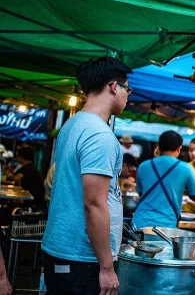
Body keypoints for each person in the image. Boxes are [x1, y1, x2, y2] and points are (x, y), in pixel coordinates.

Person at [42, 57, 132, 295]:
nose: (127, 96)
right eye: (127, 89)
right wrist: (107, 267)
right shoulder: (99, 135)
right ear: (114, 86)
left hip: (62, 250)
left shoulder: (73, 124)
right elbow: (93, 204)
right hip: (82, 259)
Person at [132, 131, 195, 229]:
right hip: (165, 227)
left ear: (158, 146)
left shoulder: (143, 166)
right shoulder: (186, 168)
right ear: (179, 148)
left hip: (139, 224)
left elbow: (140, 192)